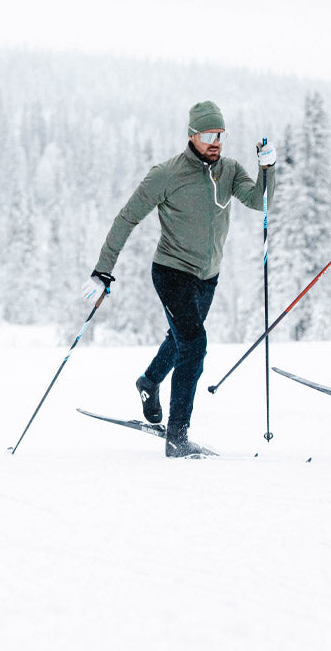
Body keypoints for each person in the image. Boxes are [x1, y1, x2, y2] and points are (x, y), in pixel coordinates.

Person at [85, 101, 276, 457]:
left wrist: (268, 168)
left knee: (181, 338)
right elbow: (126, 218)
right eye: (207, 135)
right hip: (172, 271)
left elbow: (258, 200)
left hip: (208, 277)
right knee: (194, 345)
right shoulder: (167, 174)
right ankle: (178, 437)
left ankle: (149, 381)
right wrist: (103, 270)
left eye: (220, 134)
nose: (215, 141)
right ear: (192, 136)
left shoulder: (230, 170)